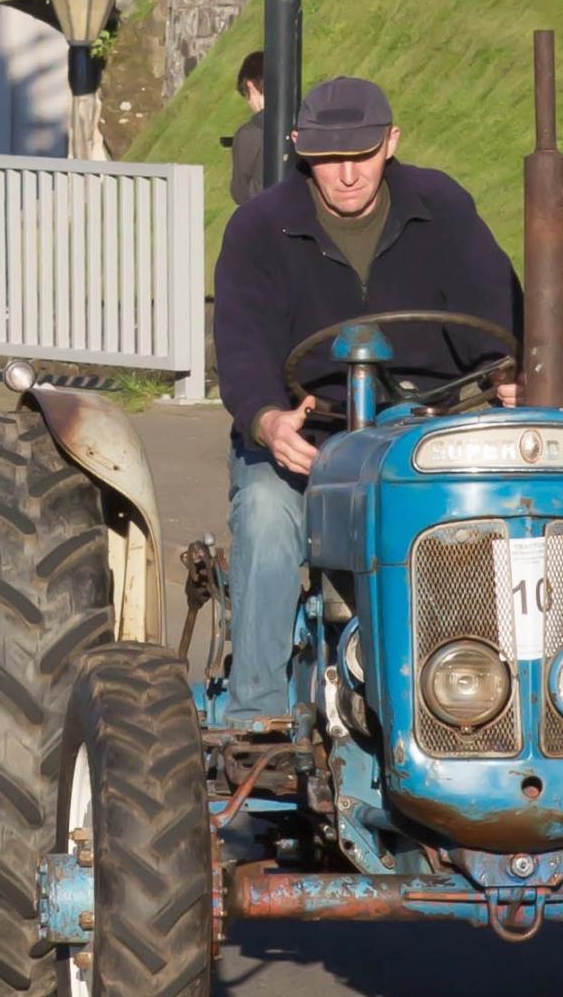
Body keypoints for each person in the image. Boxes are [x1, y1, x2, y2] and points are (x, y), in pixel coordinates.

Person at [213, 73, 523, 723]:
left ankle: (504, 704)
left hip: (423, 435)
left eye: (362, 155)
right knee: (268, 516)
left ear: (392, 143)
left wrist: (505, 370)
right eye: (329, 160)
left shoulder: (442, 208)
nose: (348, 175)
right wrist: (268, 421)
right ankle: (257, 715)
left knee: (514, 520)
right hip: (310, 441)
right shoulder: (260, 228)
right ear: (301, 149)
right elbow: (241, 343)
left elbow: (495, 306)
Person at [226, 51, 267, 209]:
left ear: (250, 85)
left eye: (246, 94)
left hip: (262, 220)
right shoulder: (306, 124)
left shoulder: (249, 135)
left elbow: (240, 192)